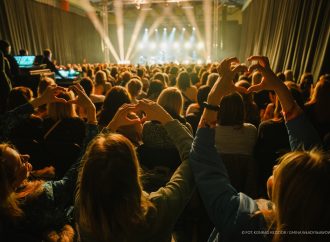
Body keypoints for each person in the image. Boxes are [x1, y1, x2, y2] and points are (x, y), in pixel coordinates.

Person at [190, 56, 324, 242]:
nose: (276, 167)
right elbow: (313, 159)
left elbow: (202, 159)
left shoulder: (246, 220)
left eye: (281, 172)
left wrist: (214, 97)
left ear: (287, 193)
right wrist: (280, 88)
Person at [75, 99, 195, 242]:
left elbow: (86, 163)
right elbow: (194, 158)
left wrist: (112, 126)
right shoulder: (157, 208)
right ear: (134, 169)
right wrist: (165, 117)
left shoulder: (83, 207)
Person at [0, 84, 98, 241]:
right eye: (20, 160)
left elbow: (3, 124)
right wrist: (92, 115)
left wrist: (40, 100)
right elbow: (78, 169)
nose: (26, 156)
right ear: (14, 178)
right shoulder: (43, 196)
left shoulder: (41, 125)